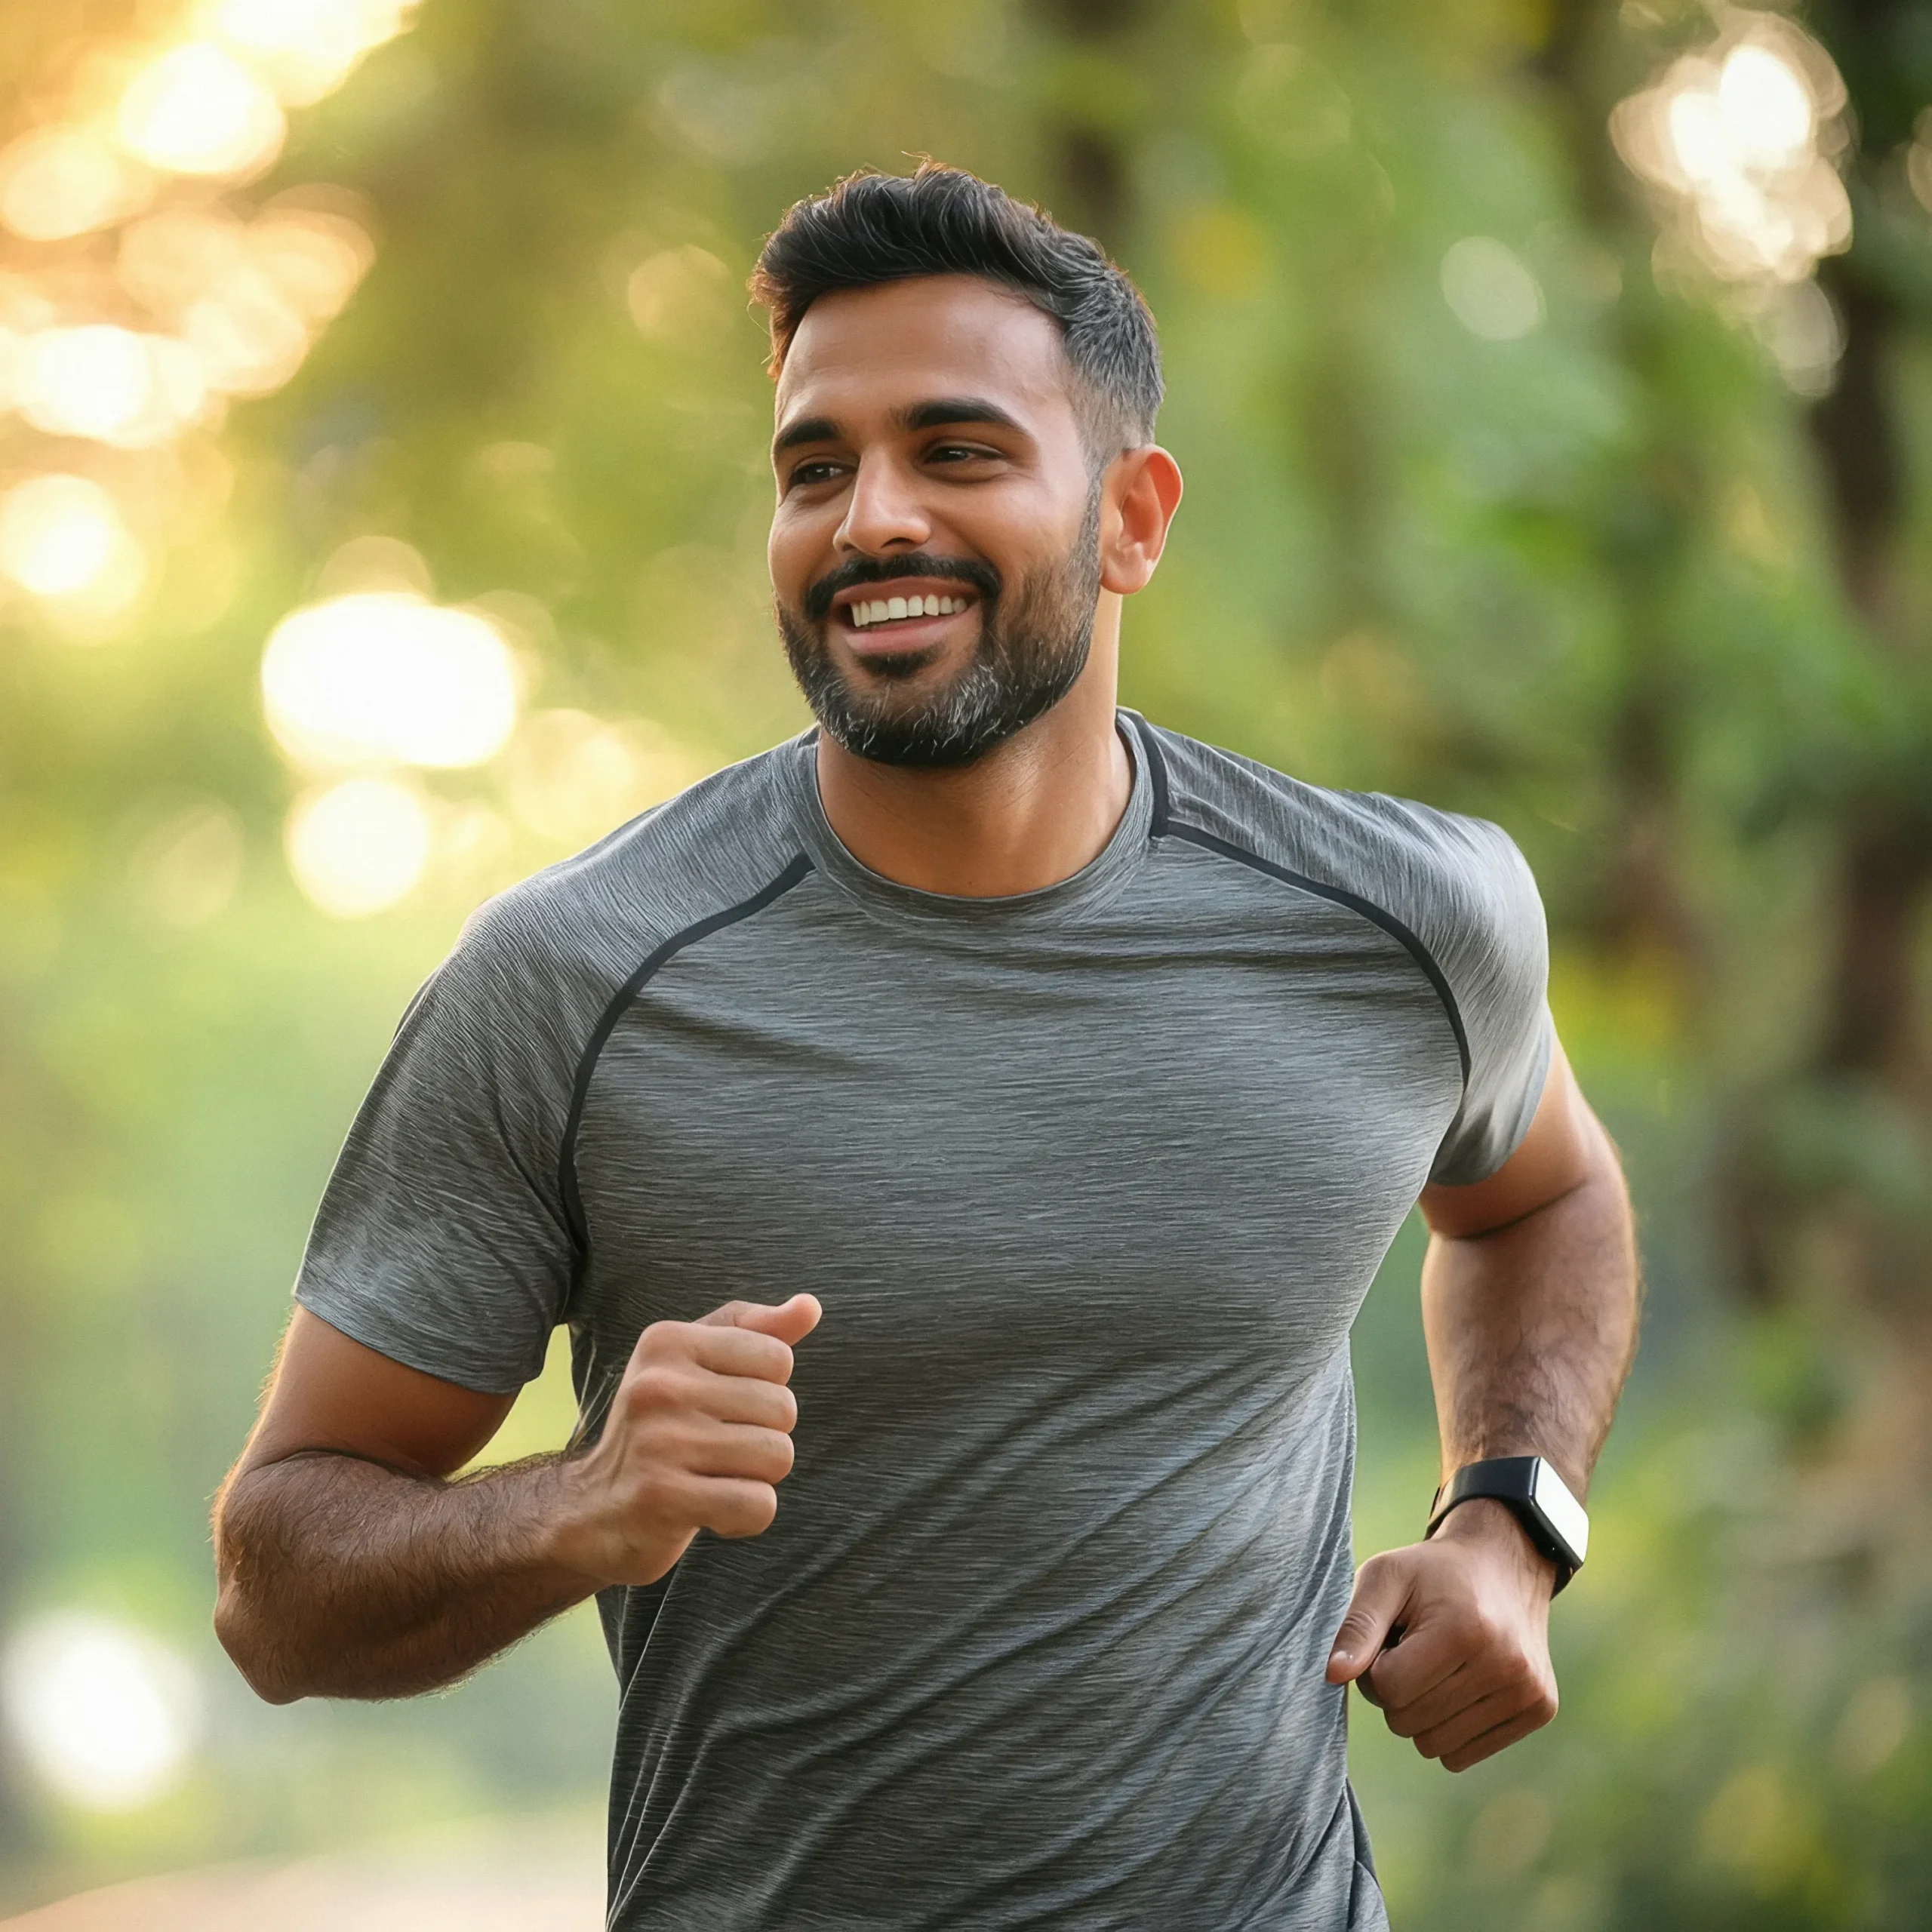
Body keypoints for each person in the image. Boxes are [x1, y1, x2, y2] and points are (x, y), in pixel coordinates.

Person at [214, 162, 1639, 1930]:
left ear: (1130, 516)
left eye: (955, 450)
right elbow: (275, 1585)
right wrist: (575, 1503)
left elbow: (1538, 1195)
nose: (868, 517)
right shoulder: (572, 978)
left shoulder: (1401, 918)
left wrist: (1510, 1518)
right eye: (815, 467)